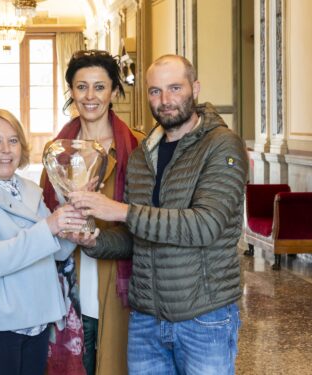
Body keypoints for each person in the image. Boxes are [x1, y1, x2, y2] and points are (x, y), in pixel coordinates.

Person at [69, 54, 248, 374]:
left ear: (195, 88)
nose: (165, 100)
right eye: (155, 91)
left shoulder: (222, 146)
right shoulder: (142, 156)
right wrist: (92, 240)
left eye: (175, 88)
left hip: (203, 318)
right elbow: (134, 238)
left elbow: (206, 225)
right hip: (146, 320)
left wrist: (120, 210)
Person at [0, 108, 95, 375]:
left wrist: (72, 233)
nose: (6, 149)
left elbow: (54, 253)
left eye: (13, 140)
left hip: (33, 322)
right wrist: (50, 226)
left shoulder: (28, 189)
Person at [40, 49, 144, 375]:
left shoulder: (137, 149)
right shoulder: (56, 150)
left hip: (118, 285)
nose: (90, 96)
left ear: (114, 91)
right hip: (68, 282)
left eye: (99, 87)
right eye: (81, 86)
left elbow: (144, 219)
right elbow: (41, 213)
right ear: (71, 91)